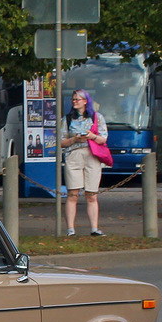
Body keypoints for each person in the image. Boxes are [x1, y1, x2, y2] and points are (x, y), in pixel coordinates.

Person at [59, 89, 108, 236]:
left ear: (85, 101)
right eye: (73, 99)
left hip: (92, 154)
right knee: (73, 193)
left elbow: (103, 139)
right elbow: (61, 142)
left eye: (77, 99)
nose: (74, 102)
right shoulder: (66, 119)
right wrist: (74, 139)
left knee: (91, 194)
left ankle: (94, 228)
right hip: (73, 155)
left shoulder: (97, 117)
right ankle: (70, 229)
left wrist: (92, 136)